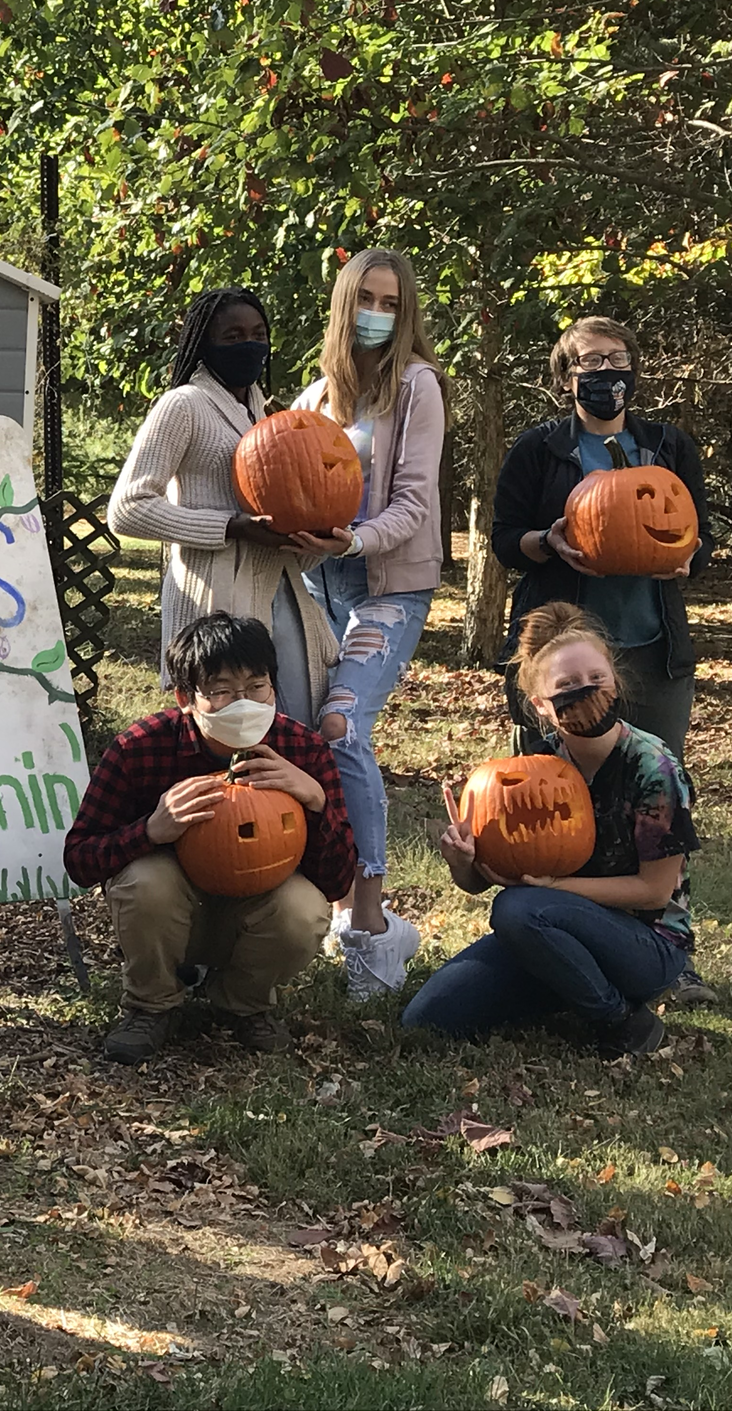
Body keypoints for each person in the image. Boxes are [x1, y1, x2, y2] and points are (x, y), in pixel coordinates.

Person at [490, 314, 715, 1006]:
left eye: (617, 358)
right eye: (590, 361)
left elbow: (697, 540)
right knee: (556, 798)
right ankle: (561, 936)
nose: (606, 371)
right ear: (566, 378)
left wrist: (685, 561)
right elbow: (505, 541)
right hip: (569, 652)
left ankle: (668, 949)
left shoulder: (668, 446)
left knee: (658, 800)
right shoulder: (541, 450)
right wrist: (545, 541)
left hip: (652, 644)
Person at [404, 603, 697, 1057]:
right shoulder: (537, 767)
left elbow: (654, 891)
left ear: (614, 682)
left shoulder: (652, 768)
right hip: (552, 924)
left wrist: (557, 888)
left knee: (518, 910)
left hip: (646, 943)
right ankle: (565, 980)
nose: (585, 692)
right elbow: (491, 878)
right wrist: (463, 861)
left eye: (595, 680)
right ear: (540, 704)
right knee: (429, 1017)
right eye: (566, 687)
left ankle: (620, 1020)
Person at [64, 613, 356, 1060]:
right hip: (172, 914)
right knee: (145, 882)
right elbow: (80, 859)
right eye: (221, 691)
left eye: (256, 686)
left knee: (305, 908)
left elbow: (336, 882)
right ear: (186, 697)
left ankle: (243, 1002)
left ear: (273, 687)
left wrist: (315, 802)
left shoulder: (301, 750)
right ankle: (151, 1004)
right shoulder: (141, 747)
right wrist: (150, 831)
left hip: (259, 910)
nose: (243, 702)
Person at [289, 249, 447, 1000]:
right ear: (344, 306)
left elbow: (414, 502)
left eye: (391, 300)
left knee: (343, 724)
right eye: (366, 298)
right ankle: (318, 900)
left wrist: (351, 539)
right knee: (297, 728)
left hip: (386, 582)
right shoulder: (314, 398)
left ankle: (373, 925)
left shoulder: (418, 387)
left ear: (405, 309)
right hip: (315, 582)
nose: (377, 311)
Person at [108, 287, 339, 725]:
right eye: (232, 337)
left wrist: (313, 536)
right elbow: (127, 508)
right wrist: (230, 527)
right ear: (203, 343)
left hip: (281, 589)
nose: (249, 345)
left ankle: (290, 796)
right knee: (229, 726)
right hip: (217, 597)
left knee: (298, 724)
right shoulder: (184, 406)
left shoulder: (268, 412)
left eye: (257, 334)